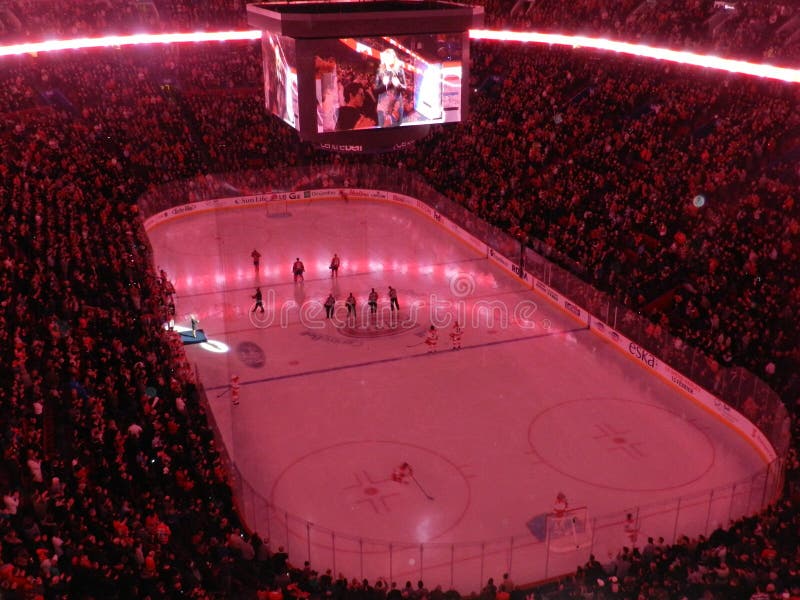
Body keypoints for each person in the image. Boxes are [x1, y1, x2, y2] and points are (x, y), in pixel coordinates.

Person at [375, 48, 406, 127]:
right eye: (386, 57)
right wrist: (386, 84)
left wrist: (398, 84)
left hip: (397, 104)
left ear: (394, 58)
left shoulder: (399, 70)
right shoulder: (380, 71)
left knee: (397, 130)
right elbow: (376, 90)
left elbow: (404, 87)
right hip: (383, 105)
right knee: (384, 130)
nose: (388, 59)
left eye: (391, 57)